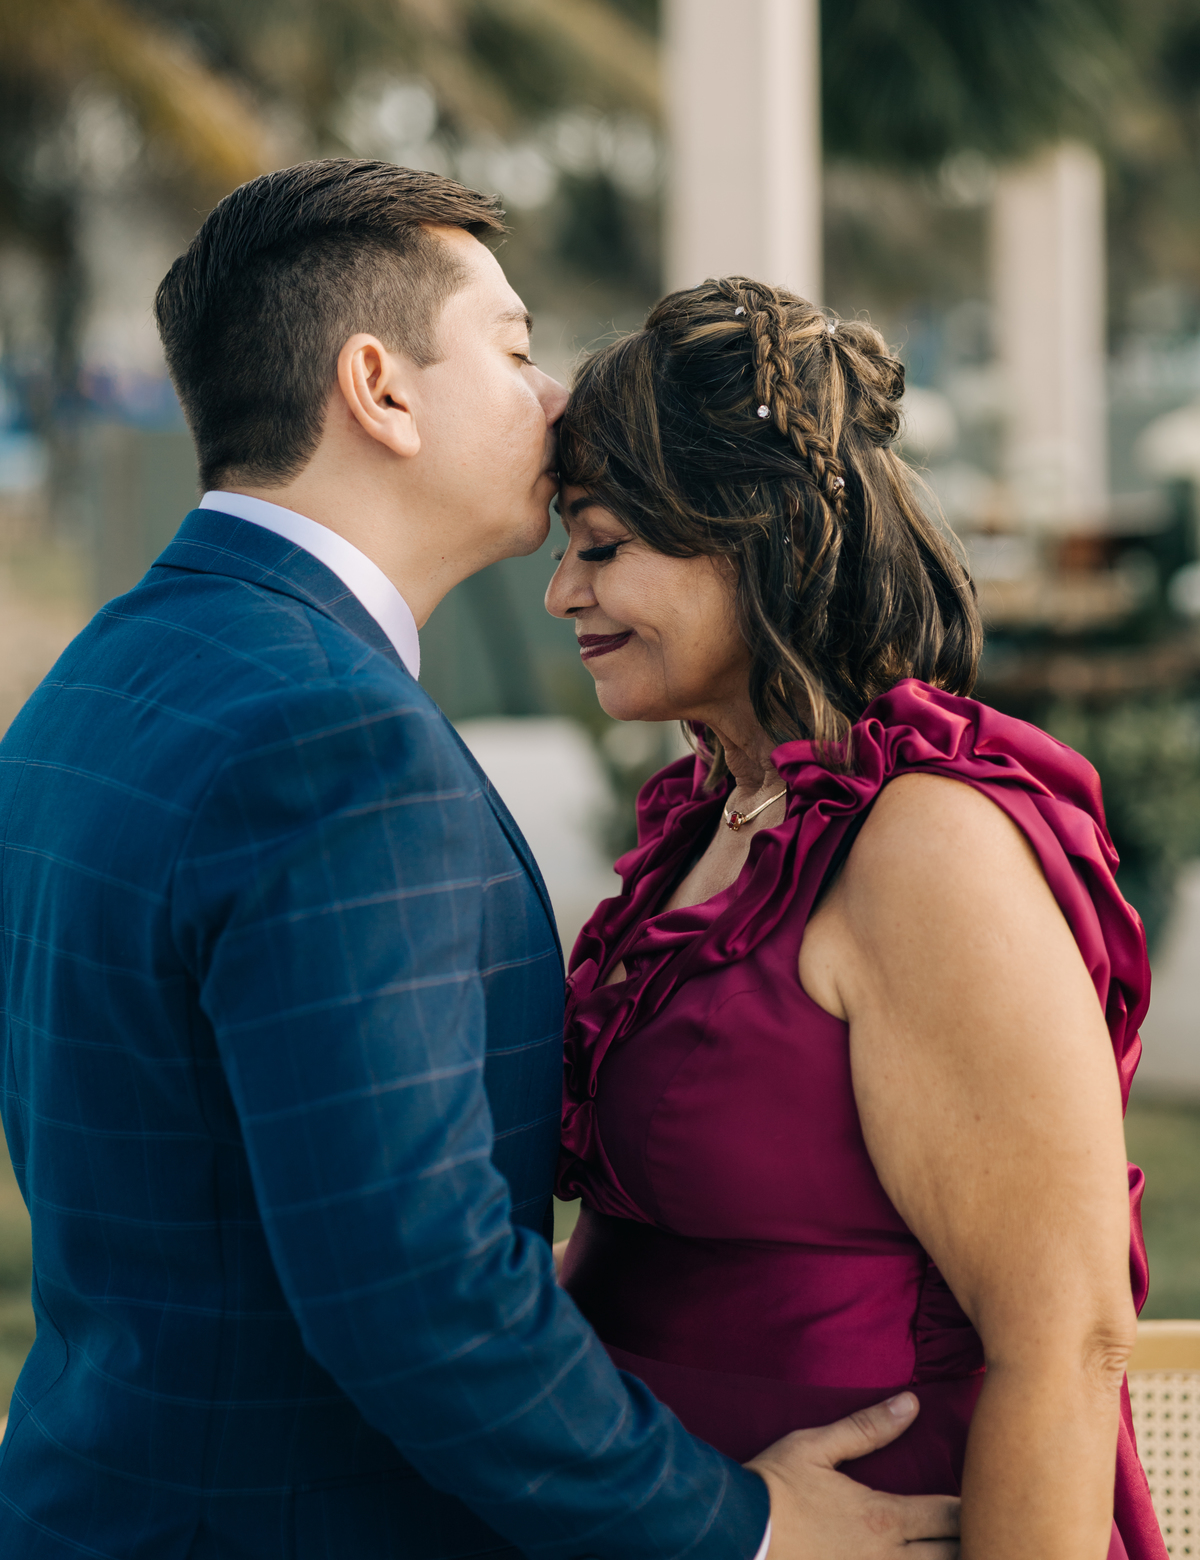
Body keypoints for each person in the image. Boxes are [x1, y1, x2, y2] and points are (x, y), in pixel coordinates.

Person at [0, 163, 961, 1559]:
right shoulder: (333, 742)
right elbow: (420, 1294)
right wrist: (742, 1527)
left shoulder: (95, 684)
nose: (556, 398)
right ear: (379, 389)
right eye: (513, 349)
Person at [546, 277, 1168, 1560]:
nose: (563, 592)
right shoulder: (711, 817)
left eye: (601, 547)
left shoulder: (926, 843)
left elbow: (1067, 1340)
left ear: (756, 532)